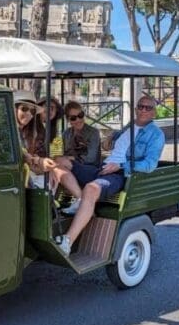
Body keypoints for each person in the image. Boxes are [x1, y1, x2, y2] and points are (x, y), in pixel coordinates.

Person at [55, 95, 164, 255]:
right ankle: (80, 201)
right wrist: (110, 139)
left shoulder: (156, 134)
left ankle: (67, 241)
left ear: (154, 112)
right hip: (103, 168)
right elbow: (111, 144)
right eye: (140, 106)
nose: (143, 110)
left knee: (91, 189)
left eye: (148, 108)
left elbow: (149, 165)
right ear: (135, 109)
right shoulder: (129, 127)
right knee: (59, 162)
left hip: (120, 174)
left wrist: (120, 166)